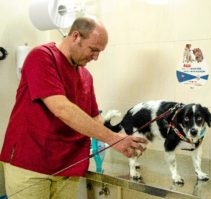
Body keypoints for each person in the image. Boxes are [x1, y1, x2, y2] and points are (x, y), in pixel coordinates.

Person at [0, 16, 147, 199]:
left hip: (68, 167)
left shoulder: (86, 76)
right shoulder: (42, 57)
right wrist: (113, 139)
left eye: (100, 52)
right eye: (93, 50)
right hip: (31, 165)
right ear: (76, 36)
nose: (96, 57)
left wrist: (121, 136)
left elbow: (95, 118)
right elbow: (62, 109)